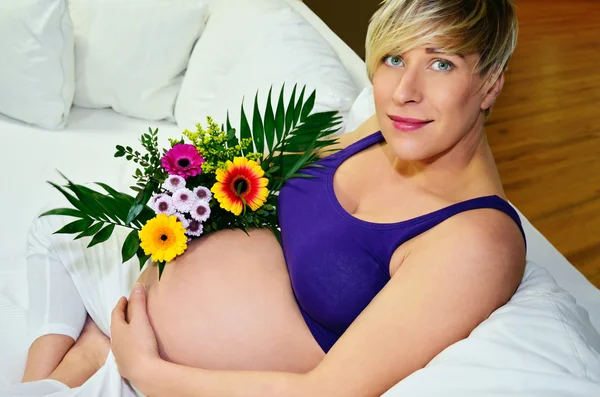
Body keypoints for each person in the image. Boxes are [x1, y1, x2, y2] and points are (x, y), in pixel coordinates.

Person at [16, 0, 526, 395]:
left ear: (490, 85)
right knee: (57, 227)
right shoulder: (390, 128)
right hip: (141, 312)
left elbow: (329, 390)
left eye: (441, 65)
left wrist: (145, 369)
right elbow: (285, 178)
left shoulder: (478, 239)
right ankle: (61, 364)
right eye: (394, 58)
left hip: (184, 375)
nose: (403, 91)